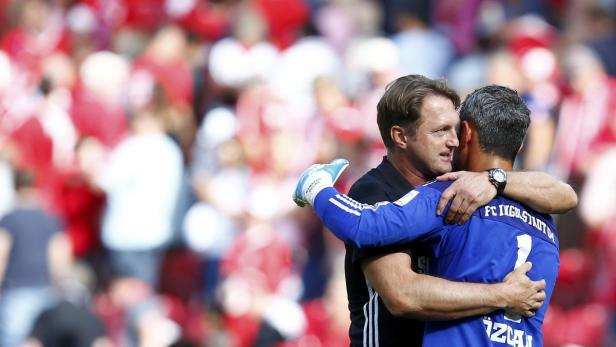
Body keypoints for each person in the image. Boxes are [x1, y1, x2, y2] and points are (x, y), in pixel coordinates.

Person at [296, 75, 577, 346]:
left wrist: (494, 179)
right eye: (440, 131)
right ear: (401, 137)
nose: (453, 141)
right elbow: (402, 295)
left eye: (455, 130)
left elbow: (565, 195)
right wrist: (503, 294)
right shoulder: (377, 191)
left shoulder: (466, 187)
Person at [0, 170, 72, 347]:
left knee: (15, 340)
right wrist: (60, 285)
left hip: (16, 289)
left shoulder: (9, 220)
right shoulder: (51, 219)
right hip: (46, 288)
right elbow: (59, 256)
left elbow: (2, 252)